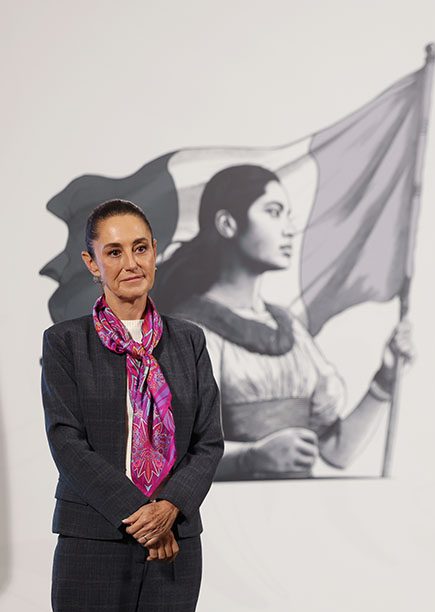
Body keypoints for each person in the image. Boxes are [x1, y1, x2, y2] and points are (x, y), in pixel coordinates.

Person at [41, 199, 224, 612]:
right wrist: (144, 516)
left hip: (174, 547)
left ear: (155, 253)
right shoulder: (65, 343)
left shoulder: (189, 341)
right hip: (93, 544)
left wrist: (169, 508)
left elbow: (208, 442)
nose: (130, 263)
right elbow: (67, 442)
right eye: (114, 251)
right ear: (92, 263)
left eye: (140, 248)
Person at [156, 164, 411, 480]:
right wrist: (251, 458)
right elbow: (172, 456)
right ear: (227, 223)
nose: (289, 229)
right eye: (274, 212)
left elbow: (336, 451)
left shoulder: (288, 328)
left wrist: (384, 381)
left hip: (297, 506)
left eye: (288, 215)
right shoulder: (189, 331)